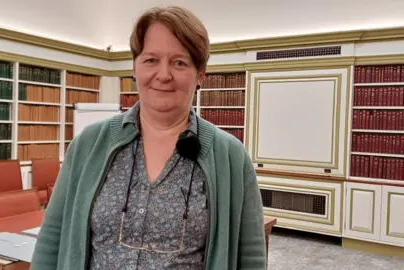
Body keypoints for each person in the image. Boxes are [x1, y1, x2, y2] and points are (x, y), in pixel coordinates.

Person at [30, 5, 266, 270]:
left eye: (179, 62)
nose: (163, 75)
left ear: (200, 74)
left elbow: (251, 257)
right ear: (134, 68)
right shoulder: (89, 144)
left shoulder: (230, 156)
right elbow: (52, 239)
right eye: (151, 60)